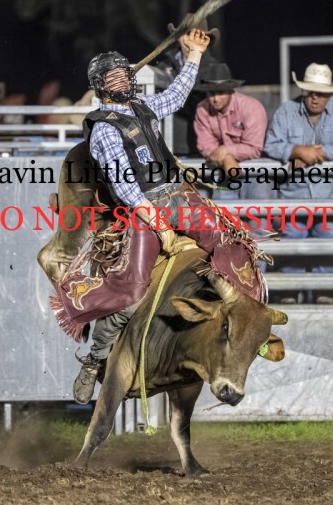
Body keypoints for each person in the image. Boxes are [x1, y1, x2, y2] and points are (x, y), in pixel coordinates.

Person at [52, 29, 266, 404]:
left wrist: (194, 55)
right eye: (113, 77)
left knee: (230, 242)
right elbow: (124, 185)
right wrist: (158, 224)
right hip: (143, 210)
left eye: (124, 73)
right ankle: (94, 360)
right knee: (131, 292)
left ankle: (245, 315)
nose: (122, 79)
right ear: (101, 87)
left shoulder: (143, 107)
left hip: (178, 194)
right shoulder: (103, 130)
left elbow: (176, 96)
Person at [264, 63, 333, 304]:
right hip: (293, 194)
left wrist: (311, 154)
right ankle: (290, 290)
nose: (315, 98)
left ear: (330, 93)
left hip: (328, 194)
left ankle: (324, 291)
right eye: (311, 92)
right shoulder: (286, 111)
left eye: (322, 93)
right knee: (293, 236)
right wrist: (296, 150)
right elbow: (271, 145)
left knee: (328, 235)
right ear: (303, 91)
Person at [194, 62, 273, 202]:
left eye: (221, 92)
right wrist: (226, 158)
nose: (215, 99)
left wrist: (225, 151)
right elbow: (205, 145)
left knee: (258, 212)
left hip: (256, 171)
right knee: (222, 212)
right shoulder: (202, 109)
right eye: (211, 93)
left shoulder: (251, 108)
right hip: (223, 169)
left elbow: (255, 148)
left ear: (231, 90)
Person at [154, 14, 219, 156]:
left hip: (201, 152)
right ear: (178, 37)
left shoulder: (217, 71)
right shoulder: (162, 68)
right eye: (188, 34)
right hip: (163, 150)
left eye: (199, 36)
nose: (192, 41)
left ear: (206, 41)